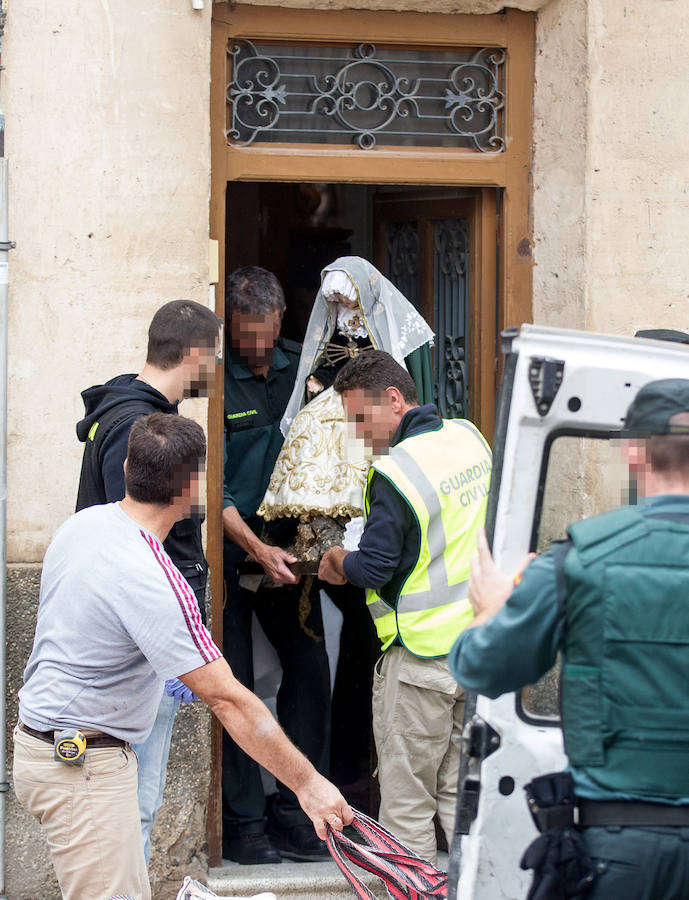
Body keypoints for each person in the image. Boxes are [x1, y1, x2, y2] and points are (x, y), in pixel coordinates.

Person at [14, 413, 352, 900]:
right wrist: (309, 785)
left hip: (47, 748)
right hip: (82, 763)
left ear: (128, 466)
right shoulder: (154, 576)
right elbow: (229, 700)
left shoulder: (81, 526)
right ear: (194, 488)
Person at [450, 378, 689, 900]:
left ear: (633, 451)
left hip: (618, 854)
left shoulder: (579, 560)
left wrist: (490, 608)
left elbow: (480, 668)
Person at [258, 259, 435, 799]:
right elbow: (312, 383)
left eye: (350, 301)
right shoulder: (326, 350)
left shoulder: (398, 383)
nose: (344, 312)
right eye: (334, 303)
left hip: (419, 634)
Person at [318, 350, 492, 864]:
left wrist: (335, 560)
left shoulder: (395, 471)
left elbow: (374, 568)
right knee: (464, 797)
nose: (358, 434)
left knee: (407, 804)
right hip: (478, 651)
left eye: (359, 418)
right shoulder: (469, 439)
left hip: (419, 658)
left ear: (394, 400)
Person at [75, 298, 220, 864]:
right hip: (140, 644)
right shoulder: (141, 428)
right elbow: (135, 542)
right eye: (213, 359)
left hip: (140, 639)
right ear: (195, 355)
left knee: (133, 801)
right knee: (134, 802)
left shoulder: (123, 416)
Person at [222, 266, 332, 864]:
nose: (259, 347)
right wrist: (254, 548)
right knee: (234, 688)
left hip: (294, 557)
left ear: (282, 321)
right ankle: (243, 824)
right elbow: (206, 488)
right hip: (230, 555)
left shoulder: (304, 370)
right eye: (247, 334)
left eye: (267, 333)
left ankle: (297, 813)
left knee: (311, 673)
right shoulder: (215, 377)